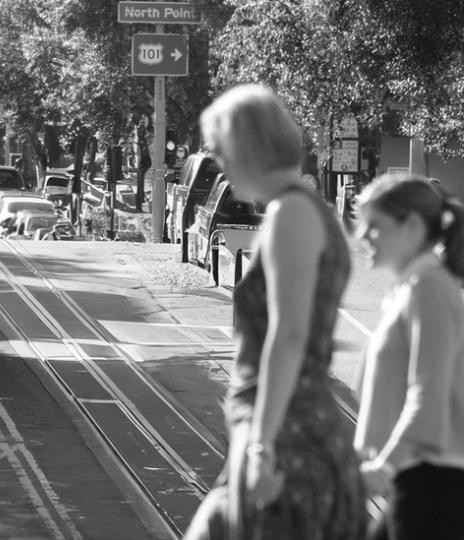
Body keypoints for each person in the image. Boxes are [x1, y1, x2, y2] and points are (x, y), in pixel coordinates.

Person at [183, 84, 366, 540]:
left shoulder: (291, 215)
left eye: (221, 150)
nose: (220, 164)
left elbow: (288, 334)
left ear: (247, 147)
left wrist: (262, 446)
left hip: (287, 438)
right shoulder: (302, 210)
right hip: (285, 428)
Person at [353, 174, 464, 540]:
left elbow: (427, 397)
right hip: (421, 479)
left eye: (374, 226)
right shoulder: (416, 287)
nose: (362, 236)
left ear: (413, 227)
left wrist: (384, 468)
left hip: (430, 484)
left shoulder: (427, 288)